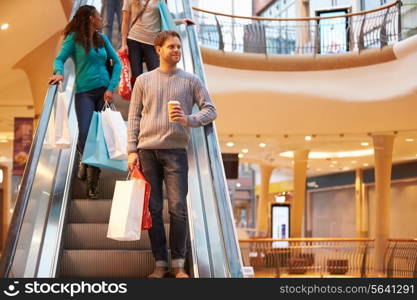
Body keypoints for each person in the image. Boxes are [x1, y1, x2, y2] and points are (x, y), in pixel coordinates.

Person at [127, 30, 217, 278]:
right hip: (146, 151)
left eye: (178, 47)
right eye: (171, 47)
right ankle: (160, 263)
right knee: (154, 208)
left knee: (178, 208)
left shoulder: (191, 80)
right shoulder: (143, 80)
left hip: (176, 151)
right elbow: (134, 116)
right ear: (158, 49)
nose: (176, 50)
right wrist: (131, 150)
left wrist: (189, 120)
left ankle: (178, 263)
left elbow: (210, 110)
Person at [50, 5, 122, 199]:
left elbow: (118, 63)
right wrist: (59, 73)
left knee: (100, 137)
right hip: (84, 93)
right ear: (91, 18)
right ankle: (83, 160)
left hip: (103, 93)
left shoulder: (102, 38)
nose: (102, 19)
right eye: (99, 16)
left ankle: (92, 184)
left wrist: (111, 87)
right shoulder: (74, 39)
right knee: (85, 132)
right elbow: (59, 59)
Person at [120, 0, 194, 88]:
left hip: (152, 43)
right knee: (136, 77)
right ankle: (138, 101)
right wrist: (124, 44)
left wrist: (181, 21)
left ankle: (154, 99)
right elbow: (125, 21)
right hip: (133, 40)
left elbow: (165, 19)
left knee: (157, 75)